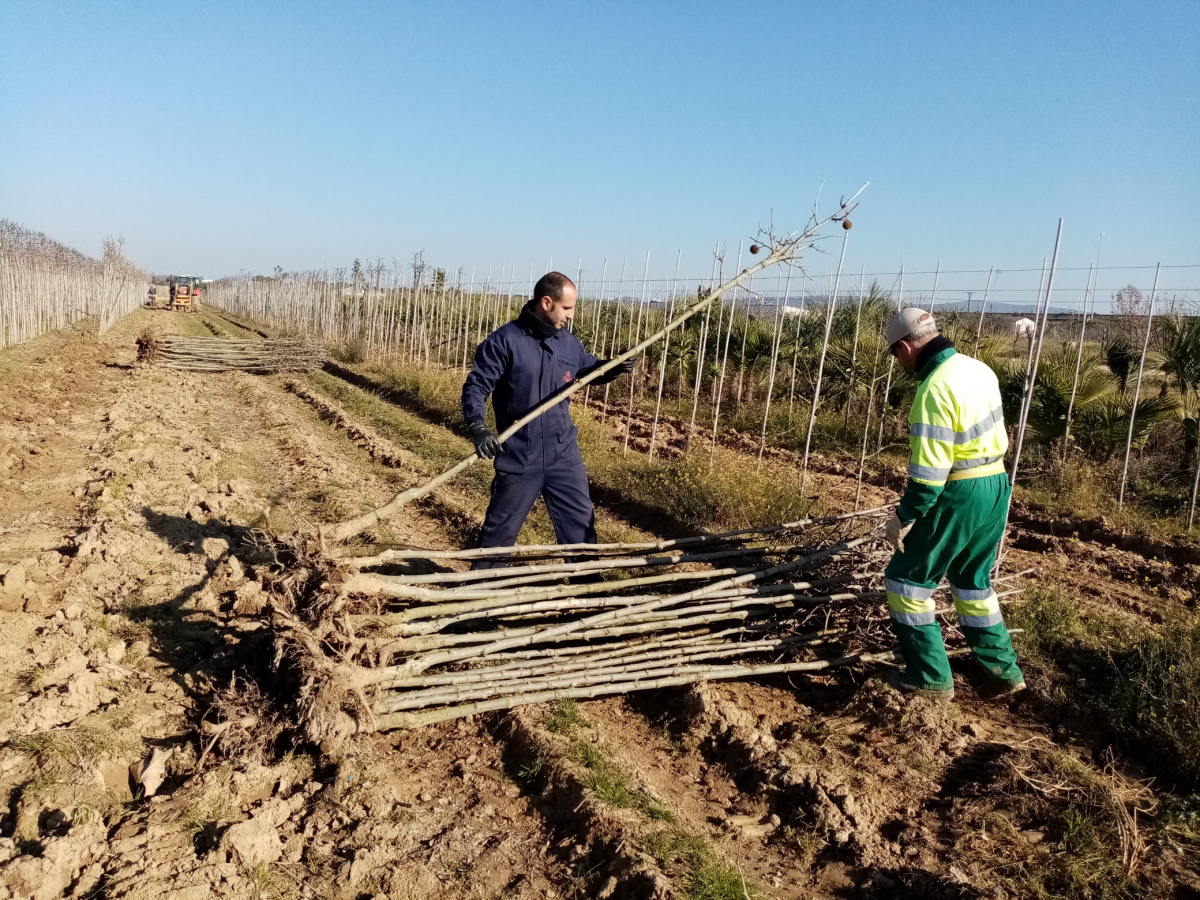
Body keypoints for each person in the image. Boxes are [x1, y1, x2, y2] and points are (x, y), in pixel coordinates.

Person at [881, 308, 1025, 699]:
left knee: (905, 584)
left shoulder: (932, 390)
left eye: (896, 354)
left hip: (960, 492)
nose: (899, 362)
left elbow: (928, 479)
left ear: (907, 345)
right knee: (973, 584)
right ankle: (1003, 672)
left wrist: (904, 517)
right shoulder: (978, 369)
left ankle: (929, 679)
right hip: (996, 484)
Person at [461, 272, 634, 566]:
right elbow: (476, 387)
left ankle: (587, 592)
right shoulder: (505, 341)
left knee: (582, 533)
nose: (571, 315)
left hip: (563, 455)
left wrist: (613, 367)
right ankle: (475, 595)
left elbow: (590, 370)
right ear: (546, 302)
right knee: (498, 536)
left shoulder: (569, 344)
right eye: (567, 308)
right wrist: (478, 427)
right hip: (519, 456)